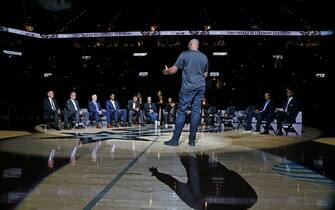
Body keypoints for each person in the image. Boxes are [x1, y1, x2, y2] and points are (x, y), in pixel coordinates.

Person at [163, 39, 208, 146]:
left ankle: (175, 140)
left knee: (182, 111)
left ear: (191, 44)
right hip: (201, 86)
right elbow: (205, 74)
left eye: (188, 43)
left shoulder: (184, 54)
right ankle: (192, 140)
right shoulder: (204, 57)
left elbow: (174, 70)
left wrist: (166, 71)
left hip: (188, 87)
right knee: (196, 112)